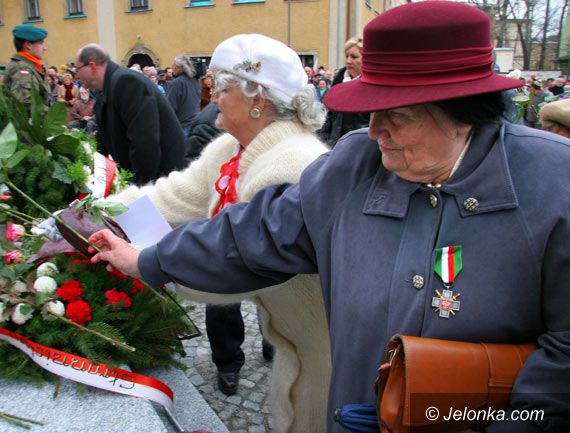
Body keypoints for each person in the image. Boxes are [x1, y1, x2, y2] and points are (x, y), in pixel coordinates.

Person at [88, 3, 570, 433]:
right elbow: (254, 234)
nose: (374, 130)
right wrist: (147, 260)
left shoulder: (554, 185)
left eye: (396, 115)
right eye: (371, 111)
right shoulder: (354, 164)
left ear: (464, 111)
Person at [98, 34, 331, 433]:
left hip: (327, 345)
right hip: (293, 338)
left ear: (257, 98)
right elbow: (174, 195)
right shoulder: (231, 148)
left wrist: (143, 263)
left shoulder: (291, 163)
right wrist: (99, 211)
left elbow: (233, 269)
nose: (212, 97)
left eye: (221, 87)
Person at [73, 43, 186, 185]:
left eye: (77, 69)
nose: (75, 75)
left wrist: (139, 188)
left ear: (92, 66)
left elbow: (145, 141)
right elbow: (105, 139)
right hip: (152, 178)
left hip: (162, 179)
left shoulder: (126, 82)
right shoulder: (108, 87)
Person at [316, 37, 369, 147]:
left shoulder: (370, 85)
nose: (348, 61)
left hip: (359, 145)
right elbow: (331, 116)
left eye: (354, 57)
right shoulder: (339, 79)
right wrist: (321, 139)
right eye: (346, 56)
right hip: (335, 143)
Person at [3, 24, 50, 112]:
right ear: (28, 45)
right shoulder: (23, 69)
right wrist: (53, 115)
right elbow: (25, 103)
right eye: (41, 43)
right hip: (27, 121)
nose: (45, 48)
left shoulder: (30, 66)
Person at [166, 55, 201, 136]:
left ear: (180, 68)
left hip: (182, 125)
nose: (172, 67)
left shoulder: (176, 83)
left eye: (173, 65)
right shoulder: (196, 80)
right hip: (195, 123)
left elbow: (170, 107)